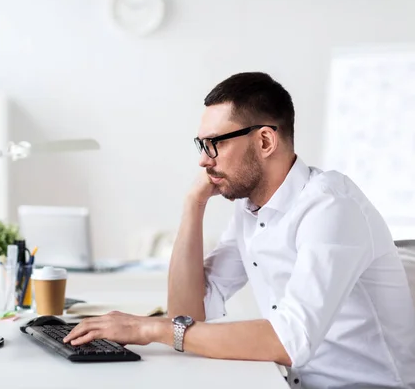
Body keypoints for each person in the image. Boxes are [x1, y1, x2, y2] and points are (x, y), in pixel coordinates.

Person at [64, 72, 415, 388]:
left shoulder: (331, 208)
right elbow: (188, 313)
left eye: (215, 143)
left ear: (265, 142)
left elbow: (288, 341)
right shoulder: (251, 210)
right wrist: (193, 204)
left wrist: (147, 328)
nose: (204, 159)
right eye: (202, 145)